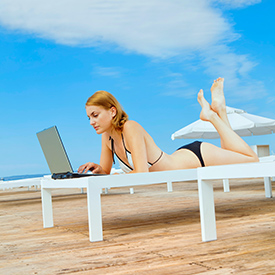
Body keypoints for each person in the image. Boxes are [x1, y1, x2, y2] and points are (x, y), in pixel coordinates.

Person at [78, 78, 259, 175]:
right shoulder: (106, 137)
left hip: (199, 156)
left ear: (112, 111)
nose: (92, 122)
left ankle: (212, 115)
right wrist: (97, 169)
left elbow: (141, 172)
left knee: (252, 159)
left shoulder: (130, 127)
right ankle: (220, 109)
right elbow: (106, 172)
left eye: (95, 115)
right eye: (89, 118)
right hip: (182, 157)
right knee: (234, 153)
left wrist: (120, 176)